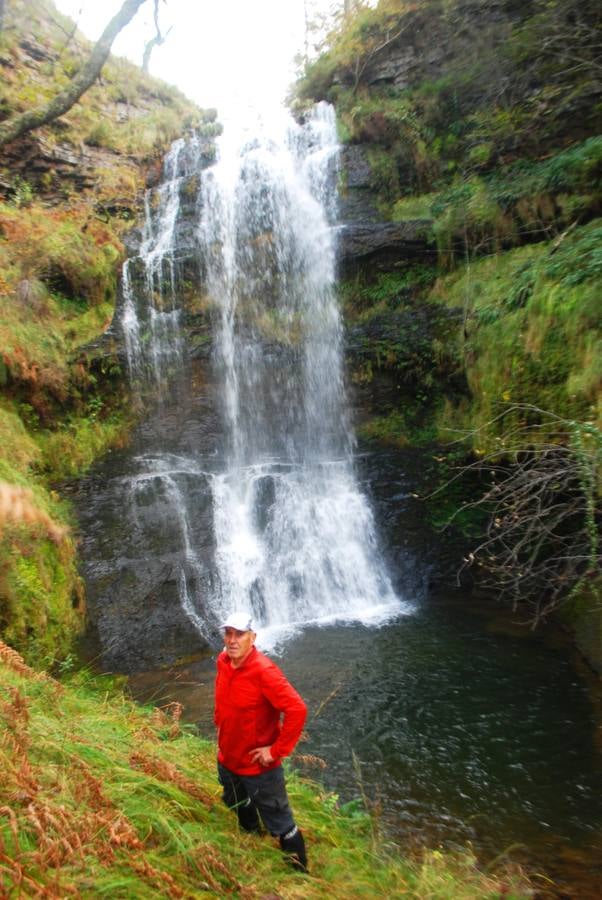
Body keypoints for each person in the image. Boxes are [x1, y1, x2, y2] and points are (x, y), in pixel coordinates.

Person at [214, 612, 308, 873]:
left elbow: (297, 709)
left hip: (259, 767)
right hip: (228, 758)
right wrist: (219, 720)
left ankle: (299, 875)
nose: (232, 640)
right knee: (237, 800)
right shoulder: (223, 661)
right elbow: (223, 693)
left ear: (252, 637)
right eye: (228, 633)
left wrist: (276, 750)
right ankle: (252, 838)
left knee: (281, 822)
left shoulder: (264, 671)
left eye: (239, 634)